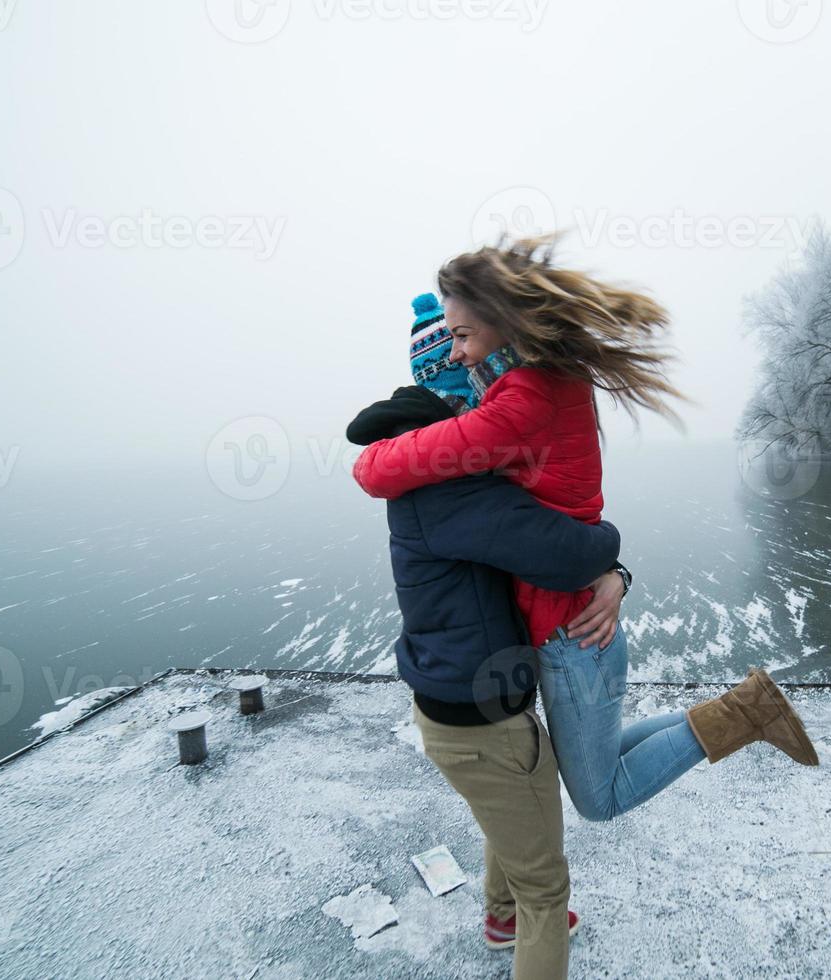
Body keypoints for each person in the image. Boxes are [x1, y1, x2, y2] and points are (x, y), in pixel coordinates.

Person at [353, 238, 819, 839]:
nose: (459, 351)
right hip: (573, 621)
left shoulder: (522, 402)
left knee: (601, 796)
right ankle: (742, 705)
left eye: (464, 335)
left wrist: (371, 453)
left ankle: (746, 712)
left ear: (503, 321)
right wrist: (613, 571)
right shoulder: (539, 386)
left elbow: (378, 471)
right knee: (600, 755)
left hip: (569, 634)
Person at [347, 293, 624, 979]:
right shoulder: (452, 487)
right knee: (547, 890)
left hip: (463, 700)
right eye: (476, 385)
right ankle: (520, 923)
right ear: (455, 397)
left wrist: (609, 570)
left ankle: (501, 920)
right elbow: (566, 552)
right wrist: (613, 562)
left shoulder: (434, 472)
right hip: (482, 720)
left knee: (514, 817)